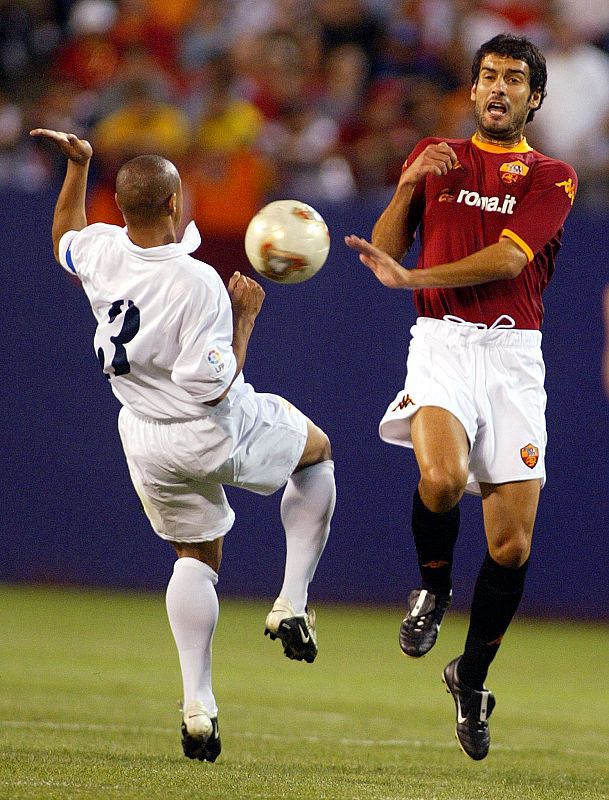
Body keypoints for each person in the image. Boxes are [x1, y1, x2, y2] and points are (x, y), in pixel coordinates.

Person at [30, 127, 336, 763]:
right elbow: (217, 393)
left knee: (196, 556)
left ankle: (199, 703)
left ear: (120, 207)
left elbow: (64, 235)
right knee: (316, 451)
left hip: (142, 437)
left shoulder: (102, 251)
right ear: (176, 204)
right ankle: (292, 602)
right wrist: (245, 313)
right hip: (204, 430)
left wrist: (77, 168)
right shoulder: (197, 284)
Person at [345, 33, 576, 760]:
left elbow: (509, 256)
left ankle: (469, 676)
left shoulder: (552, 175)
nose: (498, 88)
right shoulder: (437, 157)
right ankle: (433, 589)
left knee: (509, 544)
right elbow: (387, 246)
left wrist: (414, 279)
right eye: (487, 77)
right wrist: (409, 183)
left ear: (534, 97)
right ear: (472, 90)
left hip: (511, 357)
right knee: (439, 479)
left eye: (513, 79)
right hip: (441, 343)